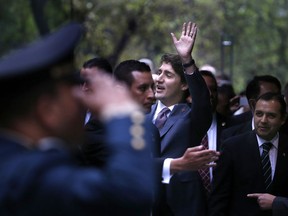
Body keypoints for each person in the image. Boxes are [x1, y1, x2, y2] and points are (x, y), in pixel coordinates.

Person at [0, 23, 154, 215]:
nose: (84, 104)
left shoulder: (18, 162)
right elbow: (130, 194)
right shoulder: (28, 177)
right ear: (48, 110)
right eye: (76, 97)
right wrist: (124, 115)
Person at [149, 21, 219, 216]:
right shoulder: (143, 115)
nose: (160, 79)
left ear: (183, 85)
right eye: (159, 72)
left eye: (168, 75)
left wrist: (187, 60)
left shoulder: (190, 116)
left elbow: (203, 101)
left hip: (181, 204)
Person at [209, 92, 288, 216]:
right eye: (259, 114)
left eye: (271, 116)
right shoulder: (232, 147)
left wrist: (277, 203)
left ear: (283, 119)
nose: (263, 120)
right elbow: (219, 199)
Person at [221, 75, 282, 141]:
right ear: (253, 104)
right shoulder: (230, 134)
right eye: (268, 98)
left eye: (278, 97)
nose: (274, 101)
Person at [198, 70, 228, 195]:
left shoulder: (232, 126)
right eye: (204, 89)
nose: (210, 94)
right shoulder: (178, 126)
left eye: (214, 89)